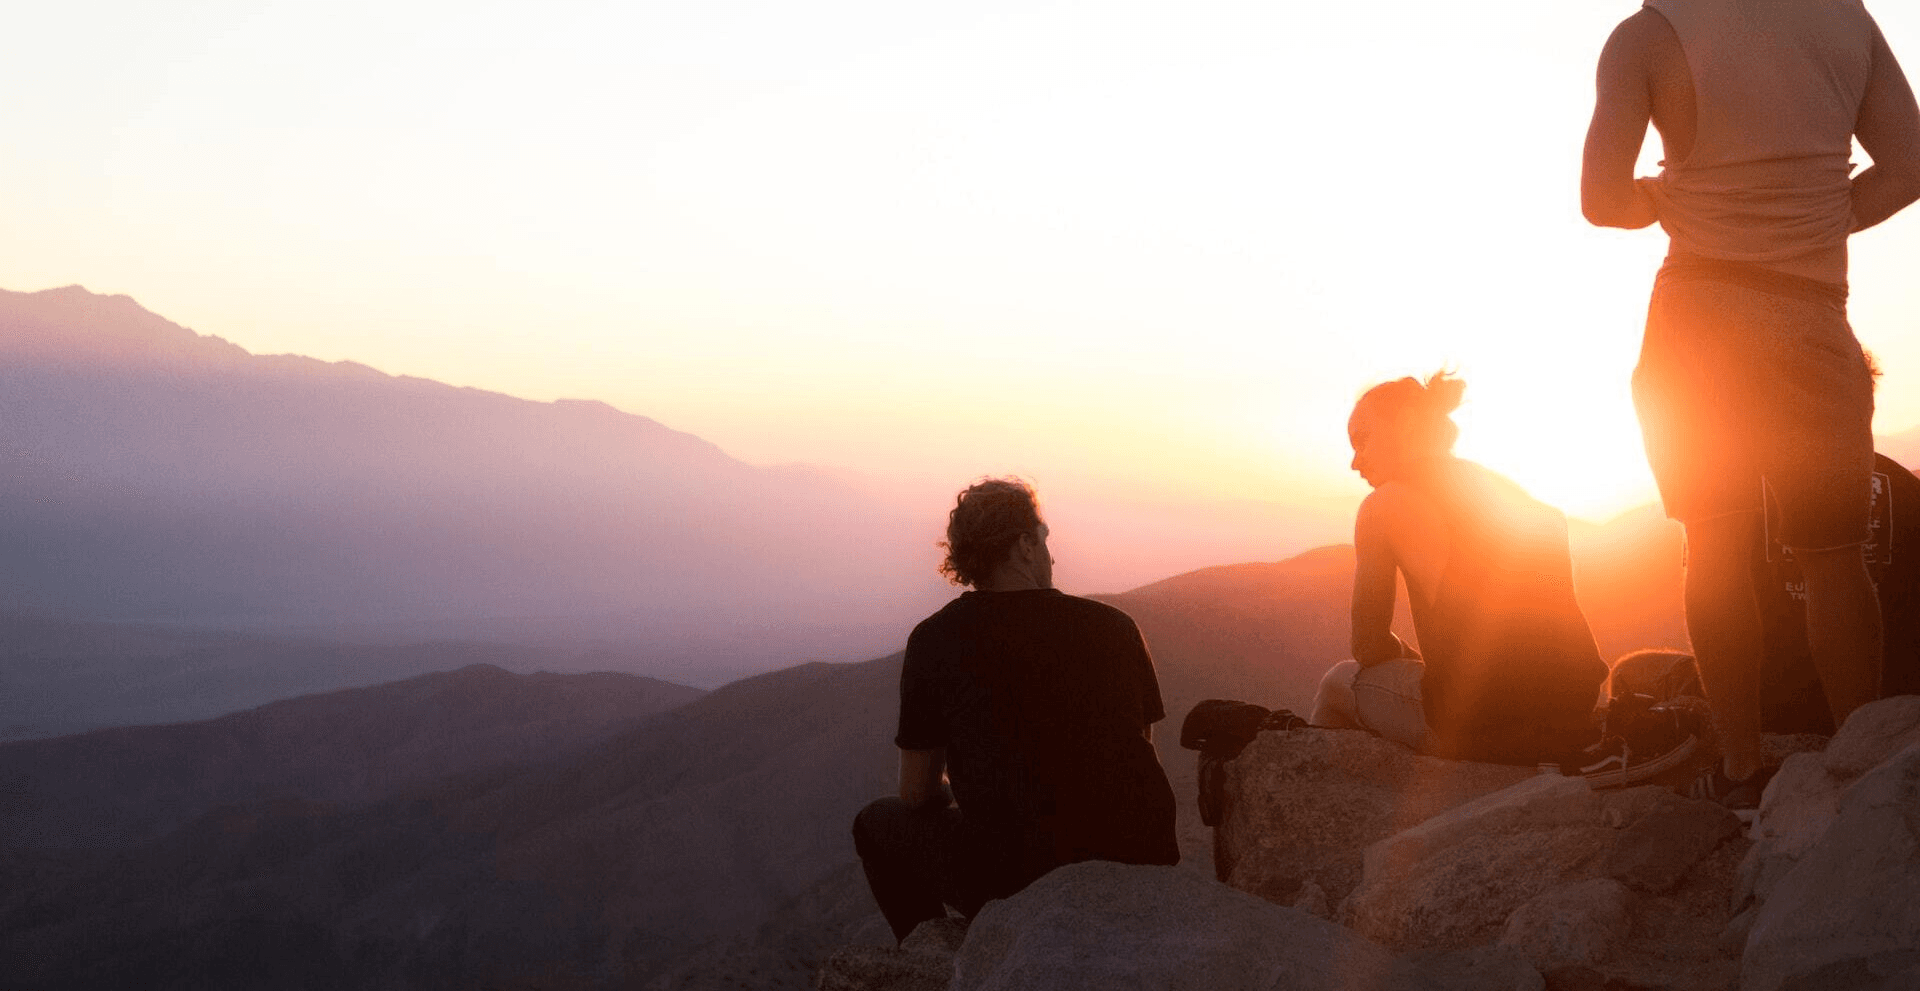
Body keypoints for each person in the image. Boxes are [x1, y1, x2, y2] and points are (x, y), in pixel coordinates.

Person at [1582, 0, 1920, 804]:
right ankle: (1861, 772)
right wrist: (1825, 215)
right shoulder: (1846, 20)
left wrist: (1673, 202)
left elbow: (1601, 200)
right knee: (1835, 557)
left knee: (1717, 545)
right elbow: (1910, 165)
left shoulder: (1646, 34)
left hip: (1697, 316)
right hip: (1808, 312)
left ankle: (1740, 765)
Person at [850, 478, 1178, 943]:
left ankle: (936, 958)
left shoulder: (936, 641)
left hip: (1018, 879)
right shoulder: (1115, 628)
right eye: (1044, 541)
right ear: (1024, 546)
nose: (1051, 555)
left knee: (874, 823)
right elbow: (1142, 757)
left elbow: (916, 794)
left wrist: (970, 793)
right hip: (1140, 863)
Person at [1309, 373, 1610, 766]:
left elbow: (1368, 646)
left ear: (1407, 422)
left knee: (1337, 682)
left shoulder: (1383, 505)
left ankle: (1328, 796)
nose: (1354, 461)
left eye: (1362, 439)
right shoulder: (1509, 493)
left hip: (1482, 731)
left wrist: (1410, 659)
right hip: (1575, 715)